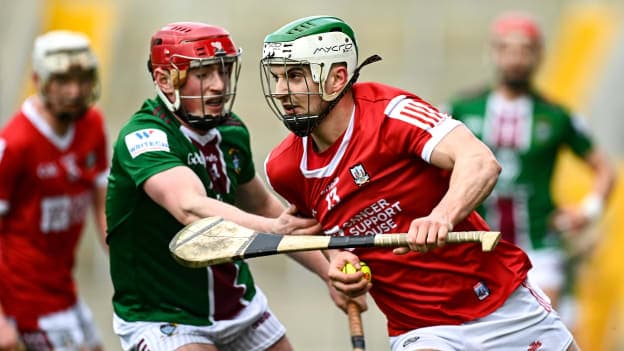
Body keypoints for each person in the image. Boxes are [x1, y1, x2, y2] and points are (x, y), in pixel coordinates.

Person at [260, 15, 580, 350]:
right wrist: (338, 265)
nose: (281, 91)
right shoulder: (285, 169)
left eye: (294, 76)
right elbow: (333, 238)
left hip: (500, 303)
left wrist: (441, 216)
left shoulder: (393, 115)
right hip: (422, 328)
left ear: (337, 77)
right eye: (277, 78)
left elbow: (480, 162)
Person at [105, 22, 344, 351]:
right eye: (203, 74)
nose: (219, 85)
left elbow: (261, 204)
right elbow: (190, 207)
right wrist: (274, 228)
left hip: (239, 306)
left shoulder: (231, 132)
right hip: (166, 315)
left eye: (224, 71)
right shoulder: (145, 137)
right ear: (164, 80)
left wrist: (328, 269)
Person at [446, 11, 616, 329]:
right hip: (478, 245)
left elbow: (604, 169)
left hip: (540, 245)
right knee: (482, 334)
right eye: (507, 49)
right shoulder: (462, 110)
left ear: (539, 56)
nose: (516, 58)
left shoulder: (556, 116)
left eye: (525, 49)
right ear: (494, 53)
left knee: (544, 328)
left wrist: (587, 212)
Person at [0, 30, 108, 351]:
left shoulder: (92, 126)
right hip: (22, 298)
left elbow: (103, 209)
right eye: (63, 81)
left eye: (83, 78)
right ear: (39, 79)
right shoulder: (15, 144)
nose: (75, 92)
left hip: (64, 289)